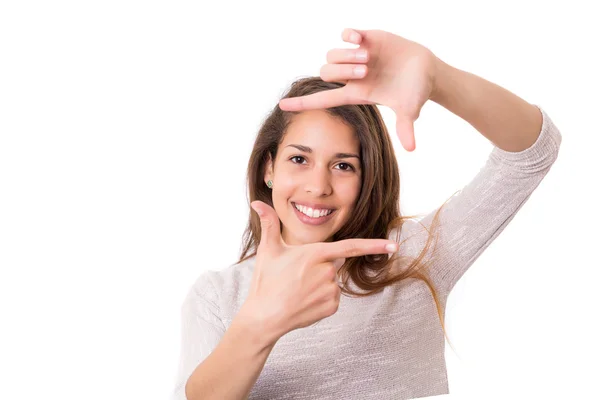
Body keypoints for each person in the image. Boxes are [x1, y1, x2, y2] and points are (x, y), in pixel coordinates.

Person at [172, 28, 562, 400]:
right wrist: (259, 324)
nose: (318, 186)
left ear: (367, 177)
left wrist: (441, 80)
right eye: (299, 159)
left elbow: (531, 154)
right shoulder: (218, 297)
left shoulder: (411, 256)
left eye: (343, 166)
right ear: (268, 168)